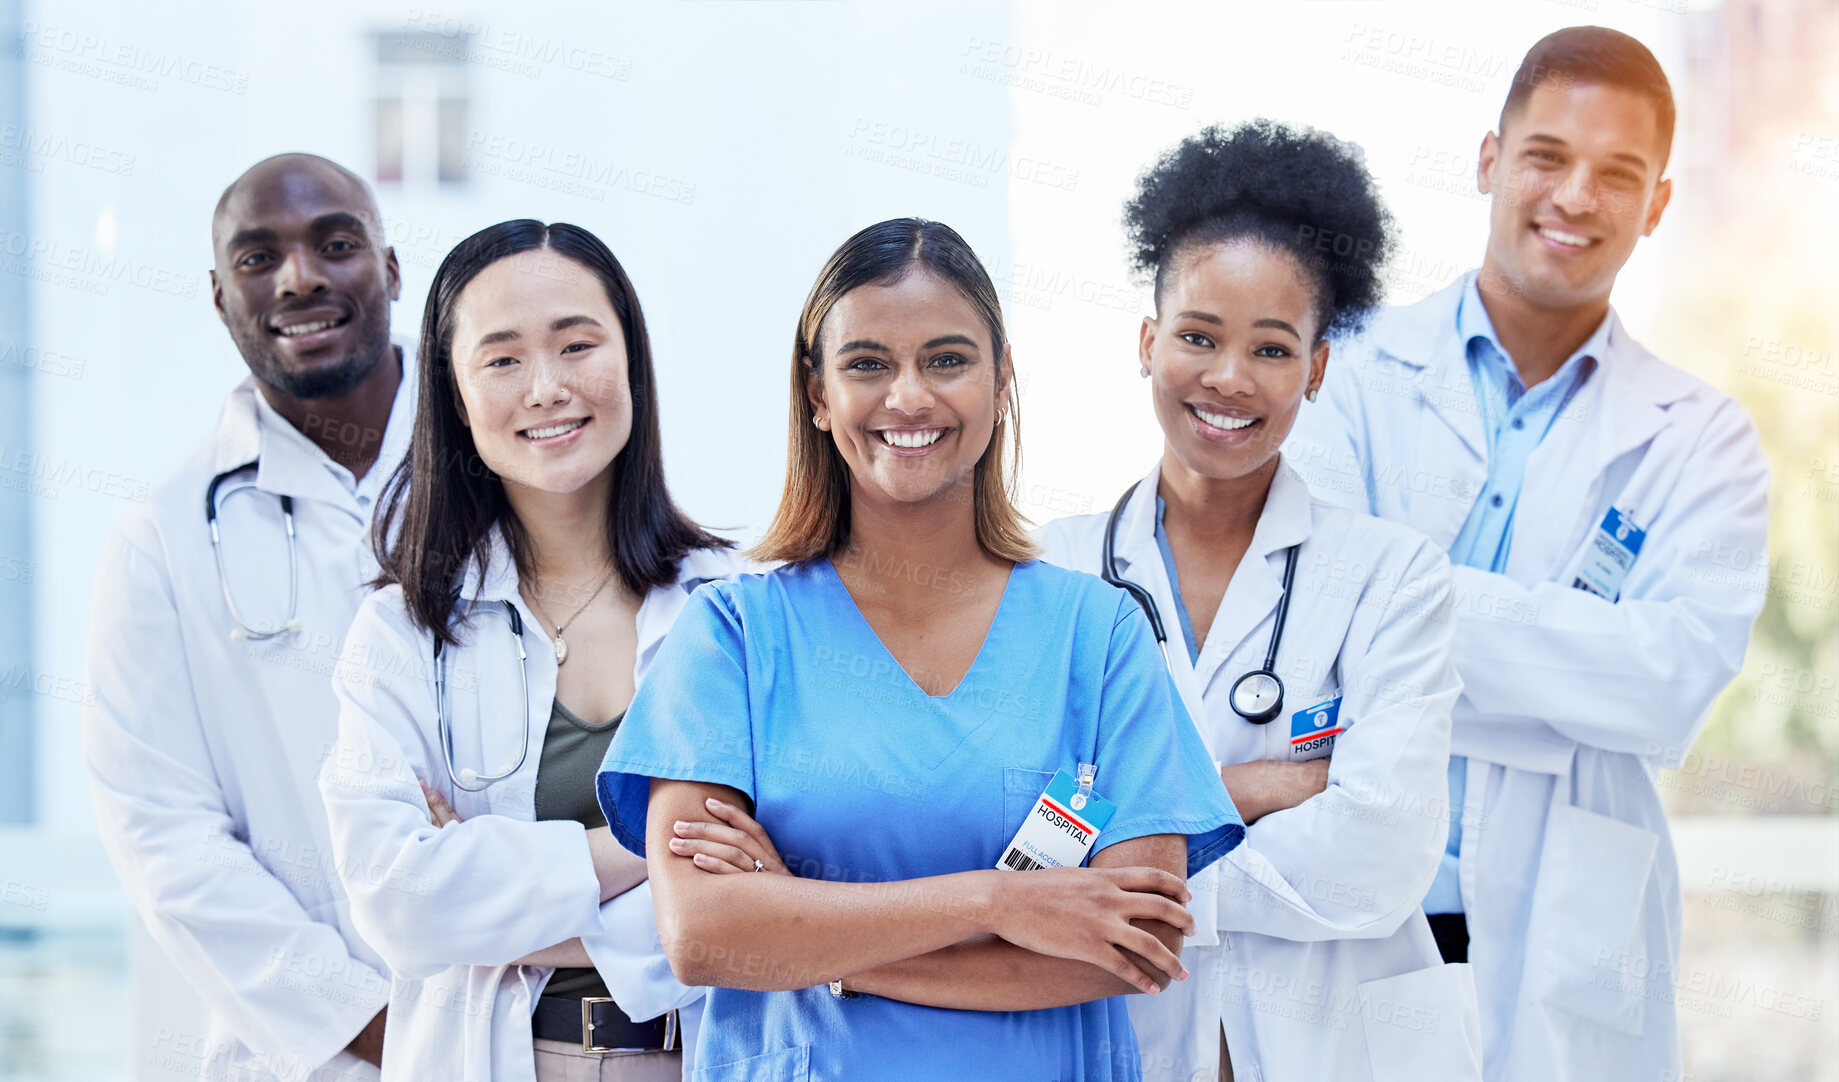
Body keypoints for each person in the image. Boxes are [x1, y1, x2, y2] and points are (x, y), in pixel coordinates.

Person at [592, 217, 1244, 1082]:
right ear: (818, 394)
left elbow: (1134, 947)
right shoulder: (733, 637)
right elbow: (704, 937)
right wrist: (1001, 902)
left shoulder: (1100, 636)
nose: (908, 397)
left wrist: (810, 936)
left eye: (946, 360)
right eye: (867, 363)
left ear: (1002, 378)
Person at [1290, 27, 1770, 1082]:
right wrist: (1565, 667)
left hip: (1568, 931)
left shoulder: (1703, 438)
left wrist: (1404, 616)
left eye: (1618, 174)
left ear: (1656, 206)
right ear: (1489, 160)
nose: (1575, 196)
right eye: (1547, 156)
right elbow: (1311, 610)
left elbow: (1664, 686)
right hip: (1364, 916)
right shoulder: (1352, 369)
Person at [1038, 121, 1481, 1082]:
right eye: (1197, 336)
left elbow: (1380, 857)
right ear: (1148, 342)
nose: (1230, 378)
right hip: (1125, 1045)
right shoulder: (1050, 573)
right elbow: (1015, 842)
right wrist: (1259, 788)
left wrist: (1127, 843)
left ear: (1316, 369)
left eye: (1272, 349)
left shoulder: (1391, 580)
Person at [317, 220, 734, 1081]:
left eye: (576, 344)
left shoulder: (735, 606)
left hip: (701, 1057)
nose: (546, 387)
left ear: (631, 361)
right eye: (502, 359)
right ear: (456, 393)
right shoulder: (402, 633)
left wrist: (490, 891)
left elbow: (776, 887)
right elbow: (396, 902)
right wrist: (654, 851)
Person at [82, 154, 408, 1081]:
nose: (299, 278)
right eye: (257, 259)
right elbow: (162, 834)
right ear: (221, 297)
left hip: (526, 1033)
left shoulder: (509, 474)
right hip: (312, 1058)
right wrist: (377, 1022)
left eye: (334, 245)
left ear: (389, 268)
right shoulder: (164, 536)